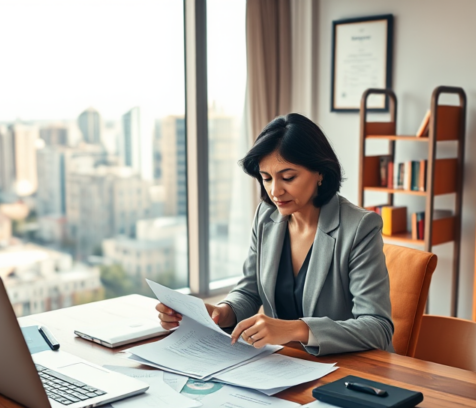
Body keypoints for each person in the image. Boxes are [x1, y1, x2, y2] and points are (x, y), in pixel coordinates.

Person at [157, 113, 393, 356]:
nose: (274, 191)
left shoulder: (361, 227)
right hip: (283, 364)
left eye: (288, 177)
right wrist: (220, 312)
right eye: (266, 178)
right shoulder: (266, 216)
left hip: (348, 368)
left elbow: (378, 328)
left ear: (320, 173)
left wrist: (295, 329)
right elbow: (250, 290)